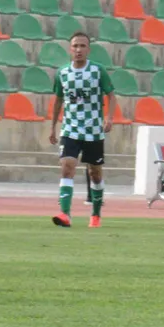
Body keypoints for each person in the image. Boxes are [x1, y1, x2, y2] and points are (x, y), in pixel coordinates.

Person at [47, 30, 113, 229]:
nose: (78, 50)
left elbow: (111, 94)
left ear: (88, 49)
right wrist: (53, 127)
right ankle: (65, 214)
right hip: (70, 128)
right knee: (67, 167)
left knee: (95, 173)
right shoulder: (63, 73)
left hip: (93, 129)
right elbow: (59, 99)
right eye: (75, 46)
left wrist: (109, 118)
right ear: (70, 49)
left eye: (82, 46)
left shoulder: (97, 71)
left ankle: (95, 214)